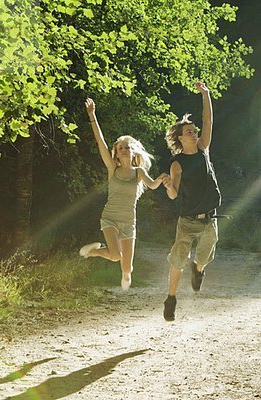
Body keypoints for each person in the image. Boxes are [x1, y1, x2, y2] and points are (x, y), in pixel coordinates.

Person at [79, 97, 167, 290]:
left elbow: (152, 186)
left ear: (133, 151)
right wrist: (92, 116)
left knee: (127, 269)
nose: (125, 150)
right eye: (121, 148)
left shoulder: (139, 172)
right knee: (115, 255)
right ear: (116, 154)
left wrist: (161, 179)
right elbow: (101, 143)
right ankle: (93, 251)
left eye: (128, 147)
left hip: (129, 222)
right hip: (110, 218)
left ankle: (121, 270)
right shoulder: (113, 169)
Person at [161, 82, 221, 321]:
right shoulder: (178, 164)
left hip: (209, 219)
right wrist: (168, 186)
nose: (194, 133)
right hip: (187, 222)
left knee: (203, 258)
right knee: (178, 259)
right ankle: (171, 298)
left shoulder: (203, 149)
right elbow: (174, 194)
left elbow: (208, 121)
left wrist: (205, 95)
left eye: (194, 131)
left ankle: (198, 271)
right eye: (189, 132)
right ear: (179, 138)